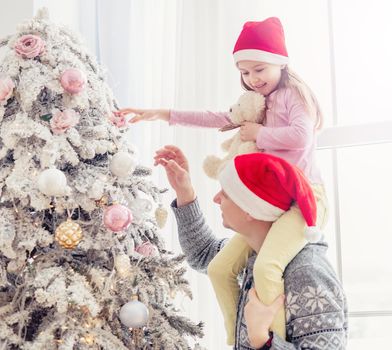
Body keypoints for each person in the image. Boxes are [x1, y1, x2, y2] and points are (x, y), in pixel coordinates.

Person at [117, 17, 328, 345]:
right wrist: (161, 113)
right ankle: (236, 338)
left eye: (259, 69)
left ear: (281, 64)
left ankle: (269, 339)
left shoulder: (293, 96)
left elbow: (302, 136)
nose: (252, 79)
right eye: (245, 73)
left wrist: (261, 134)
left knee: (267, 266)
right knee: (219, 268)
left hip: (304, 201)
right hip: (272, 204)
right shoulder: (257, 103)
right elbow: (216, 118)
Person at [154, 145, 347, 349]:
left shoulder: (307, 272)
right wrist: (185, 192)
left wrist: (262, 341)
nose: (216, 199)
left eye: (226, 194)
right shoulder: (252, 255)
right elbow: (202, 254)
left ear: (250, 208)